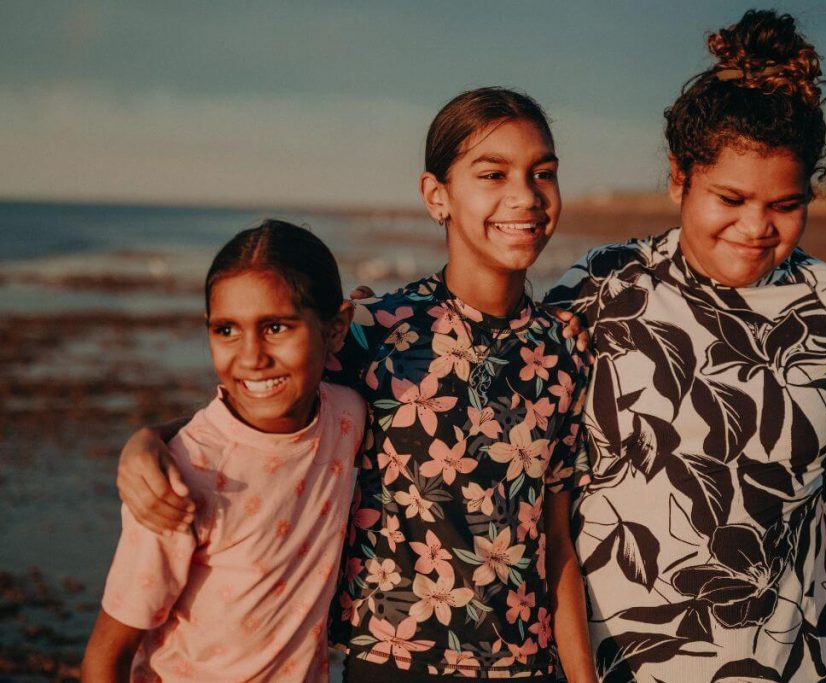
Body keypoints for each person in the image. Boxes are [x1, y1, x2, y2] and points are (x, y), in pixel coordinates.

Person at [543, 10, 826, 683]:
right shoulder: (602, 289)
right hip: (604, 668)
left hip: (779, 668)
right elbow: (539, 490)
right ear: (679, 178)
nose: (756, 226)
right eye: (731, 197)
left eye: (785, 204)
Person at [114, 88, 597, 682]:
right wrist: (147, 441)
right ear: (435, 196)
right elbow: (255, 410)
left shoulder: (563, 348)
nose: (524, 195)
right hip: (389, 661)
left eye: (542, 173)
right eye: (493, 174)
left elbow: (557, 538)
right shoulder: (372, 333)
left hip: (529, 664)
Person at [81, 220, 366, 681]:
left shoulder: (347, 415)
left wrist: (148, 432)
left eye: (276, 327)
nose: (251, 356)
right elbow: (106, 657)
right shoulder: (177, 478)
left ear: (336, 330)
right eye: (227, 330)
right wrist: (150, 440)